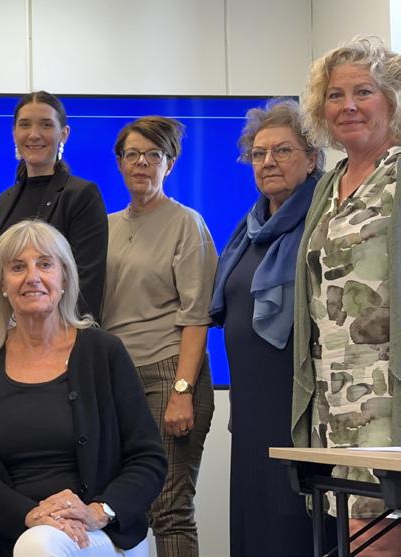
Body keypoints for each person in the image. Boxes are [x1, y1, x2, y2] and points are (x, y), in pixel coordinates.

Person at [0, 219, 167, 557]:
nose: (32, 277)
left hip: (102, 533)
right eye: (17, 267)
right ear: (2, 284)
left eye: (45, 264)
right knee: (37, 543)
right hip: (18, 534)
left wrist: (98, 512)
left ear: (64, 279)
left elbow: (148, 458)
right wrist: (30, 514)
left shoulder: (104, 353)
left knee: (39, 545)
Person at [294, 36, 401, 556]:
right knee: (352, 536)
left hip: (389, 393)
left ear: (392, 101)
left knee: (378, 538)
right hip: (335, 394)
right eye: (335, 95)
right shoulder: (329, 182)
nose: (348, 106)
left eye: (364, 92)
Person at [209, 99, 330, 556]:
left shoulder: (322, 221)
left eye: (282, 151)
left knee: (292, 516)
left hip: (298, 400)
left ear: (312, 159)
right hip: (251, 402)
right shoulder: (250, 228)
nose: (267, 162)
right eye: (258, 154)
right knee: (254, 514)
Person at [101, 116, 216, 557]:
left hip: (168, 373)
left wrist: (182, 392)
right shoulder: (105, 227)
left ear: (170, 163)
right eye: (132, 154)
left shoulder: (186, 224)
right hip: (115, 378)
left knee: (168, 509)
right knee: (118, 507)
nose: (142, 163)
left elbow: (197, 316)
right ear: (119, 162)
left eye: (154, 155)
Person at [0, 91, 107, 322]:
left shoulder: (82, 195)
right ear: (14, 133)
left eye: (46, 125)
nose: (34, 134)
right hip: (11, 332)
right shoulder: (1, 203)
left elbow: (87, 284)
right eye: (25, 125)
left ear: (64, 134)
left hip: (64, 331)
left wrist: (56, 336)